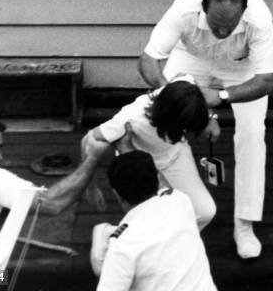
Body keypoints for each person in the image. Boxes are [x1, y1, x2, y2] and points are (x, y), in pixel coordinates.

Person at [138, 0, 273, 259]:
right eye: (216, 25)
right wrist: (186, 106)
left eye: (231, 25)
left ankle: (244, 223)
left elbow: (265, 81)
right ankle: (165, 208)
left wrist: (220, 98)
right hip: (191, 58)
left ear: (244, 11)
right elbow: (148, 61)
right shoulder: (183, 9)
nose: (223, 31)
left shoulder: (259, 18)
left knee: (252, 134)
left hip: (242, 68)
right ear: (202, 9)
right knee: (163, 121)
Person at [0, 109, 109, 277]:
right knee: (8, 279)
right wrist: (92, 159)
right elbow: (52, 203)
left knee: (0, 277)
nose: (0, 157)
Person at [85, 76, 217, 231]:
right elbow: (89, 142)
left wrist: (211, 117)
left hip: (176, 157)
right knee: (147, 222)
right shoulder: (131, 118)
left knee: (204, 212)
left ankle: (172, 242)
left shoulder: (185, 84)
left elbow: (193, 84)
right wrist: (91, 188)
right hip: (141, 168)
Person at [95, 150, 217, 291]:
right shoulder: (180, 200)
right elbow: (166, 187)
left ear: (116, 195)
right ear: (157, 179)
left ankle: (106, 234)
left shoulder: (123, 244)